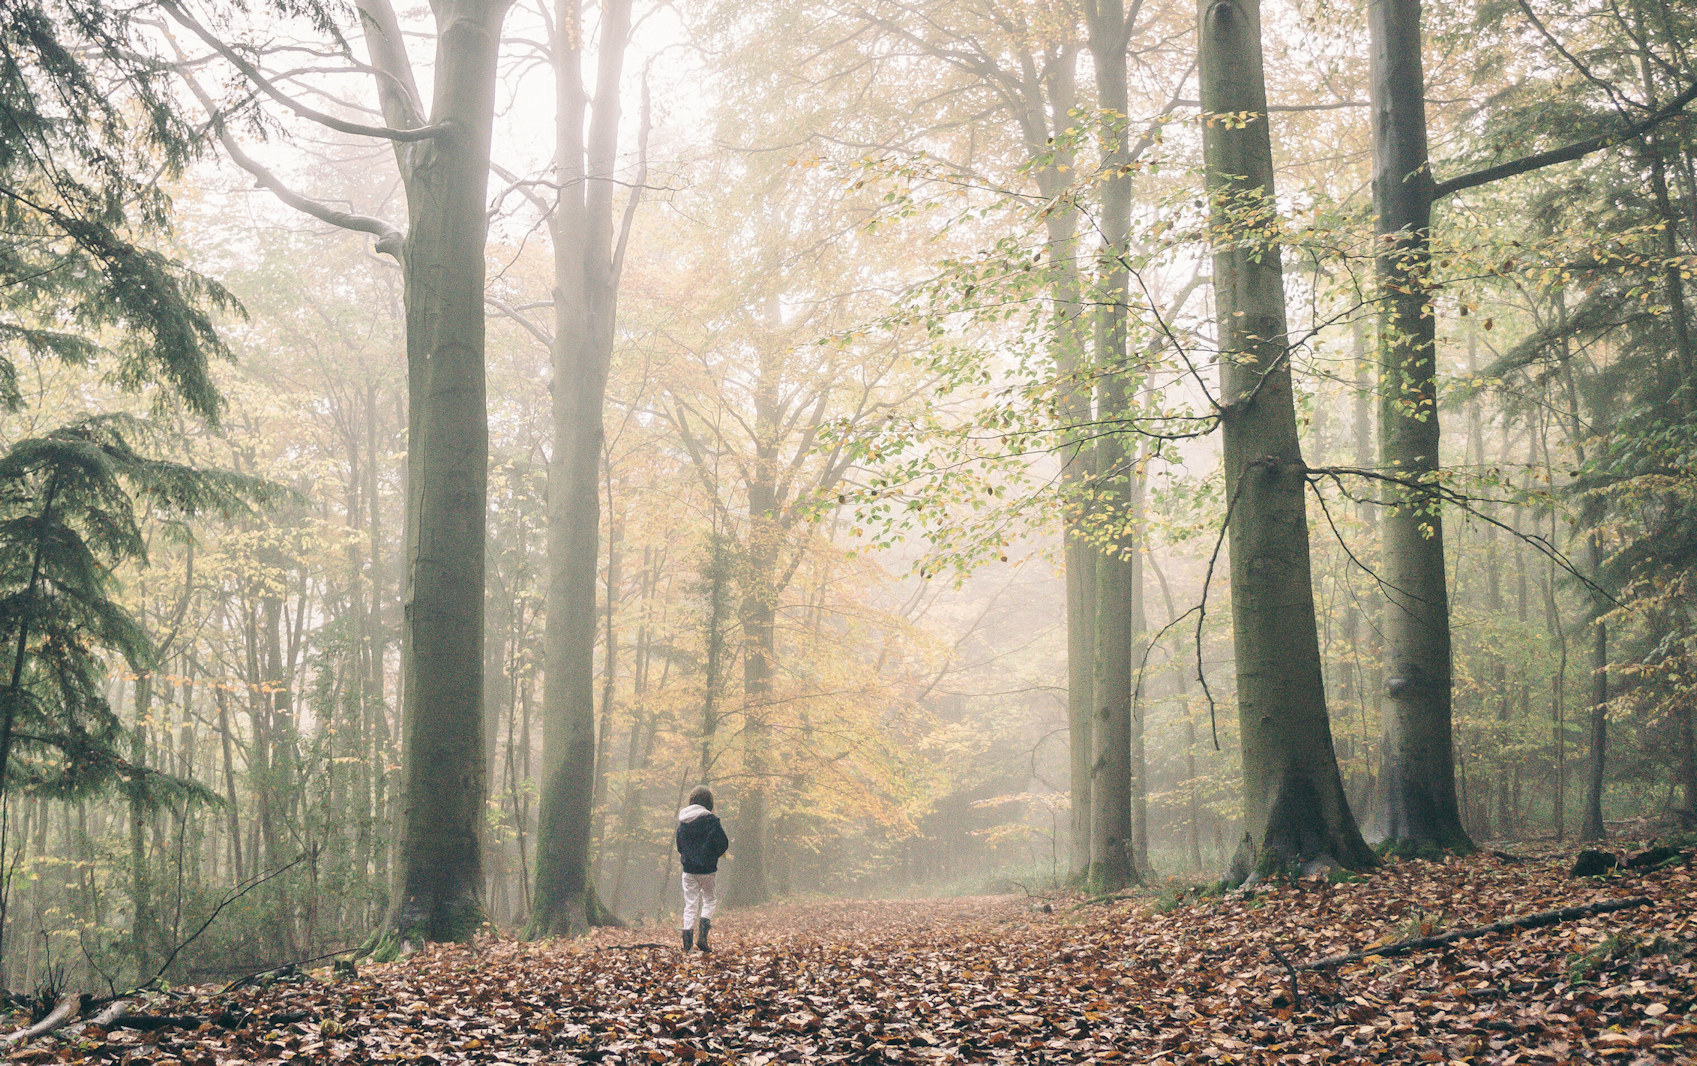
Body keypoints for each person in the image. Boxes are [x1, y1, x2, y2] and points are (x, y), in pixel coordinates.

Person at [675, 785, 729, 953]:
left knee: (690, 904)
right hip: (707, 870)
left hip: (689, 870)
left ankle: (687, 945)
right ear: (709, 802)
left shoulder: (683, 822)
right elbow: (723, 844)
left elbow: (679, 845)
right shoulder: (712, 822)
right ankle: (703, 937)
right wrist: (713, 855)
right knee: (709, 900)